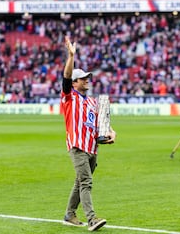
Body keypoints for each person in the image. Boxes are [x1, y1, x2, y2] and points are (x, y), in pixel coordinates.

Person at [60, 36, 116, 232]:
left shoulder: (93, 102)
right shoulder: (69, 97)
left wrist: (111, 132)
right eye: (83, 78)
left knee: (79, 181)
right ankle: (92, 219)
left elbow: (103, 123)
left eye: (87, 77)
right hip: (78, 146)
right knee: (86, 182)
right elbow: (66, 77)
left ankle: (69, 214)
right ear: (74, 83)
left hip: (93, 148)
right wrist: (71, 56)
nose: (87, 80)